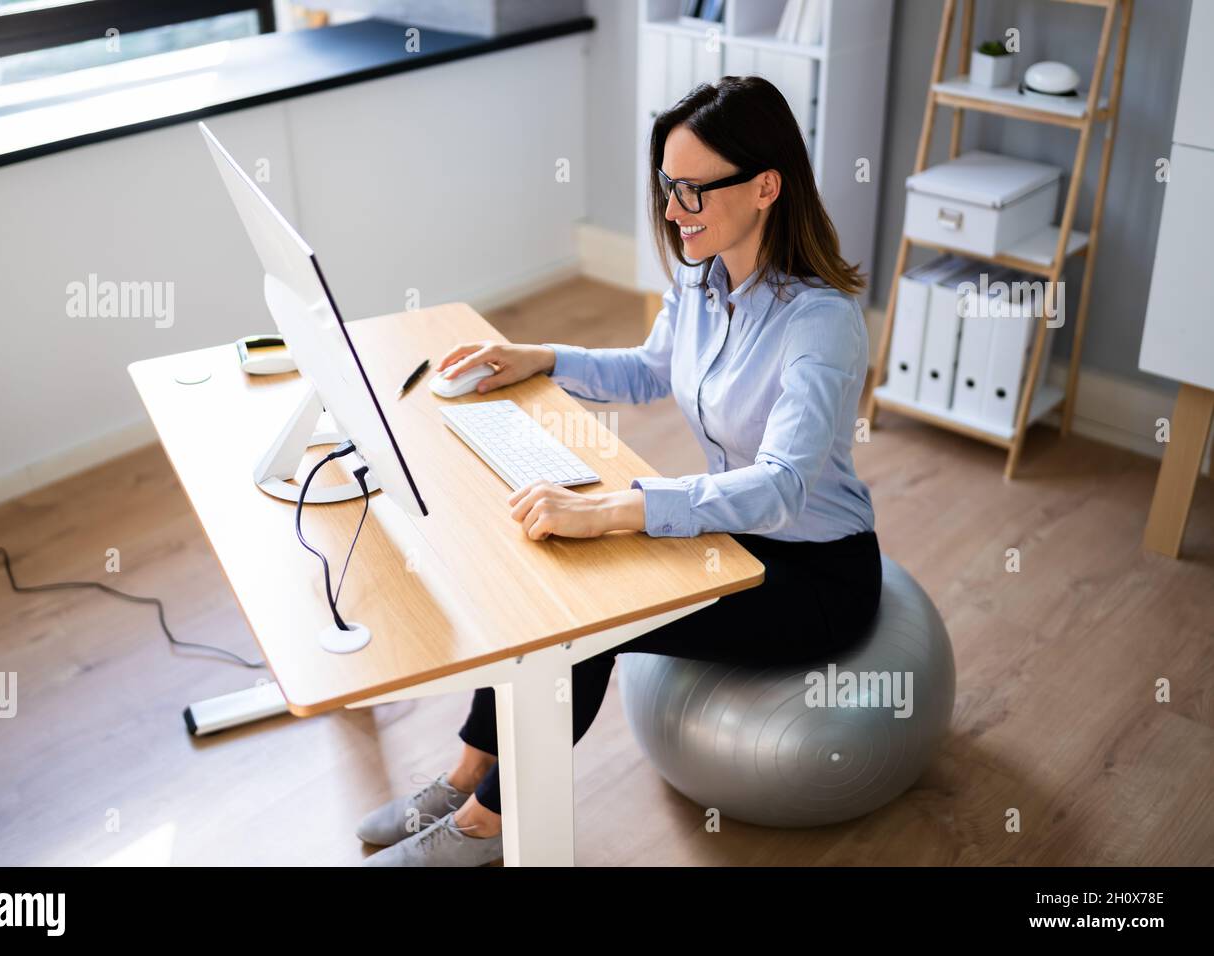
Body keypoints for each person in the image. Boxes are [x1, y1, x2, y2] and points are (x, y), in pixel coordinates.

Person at [358, 75, 880, 867]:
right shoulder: (705, 281)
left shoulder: (822, 324)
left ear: (767, 187)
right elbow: (649, 371)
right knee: (552, 583)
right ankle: (468, 771)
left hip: (814, 574)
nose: (673, 213)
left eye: (694, 192)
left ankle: (484, 827)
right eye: (670, 189)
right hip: (738, 536)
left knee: (591, 624)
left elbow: (782, 486)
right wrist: (538, 358)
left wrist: (617, 508)